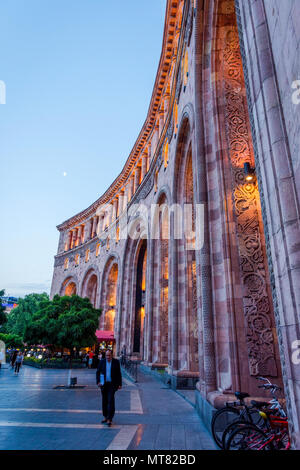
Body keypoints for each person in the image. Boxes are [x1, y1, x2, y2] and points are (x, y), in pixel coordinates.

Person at [96, 349, 122, 427]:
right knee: (104, 400)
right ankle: (105, 416)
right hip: (104, 385)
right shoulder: (102, 362)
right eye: (106, 355)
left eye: (109, 355)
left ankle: (110, 418)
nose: (108, 357)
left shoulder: (116, 362)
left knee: (110, 400)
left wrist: (120, 384)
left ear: (112, 355)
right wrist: (98, 382)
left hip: (112, 384)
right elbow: (98, 372)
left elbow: (118, 373)